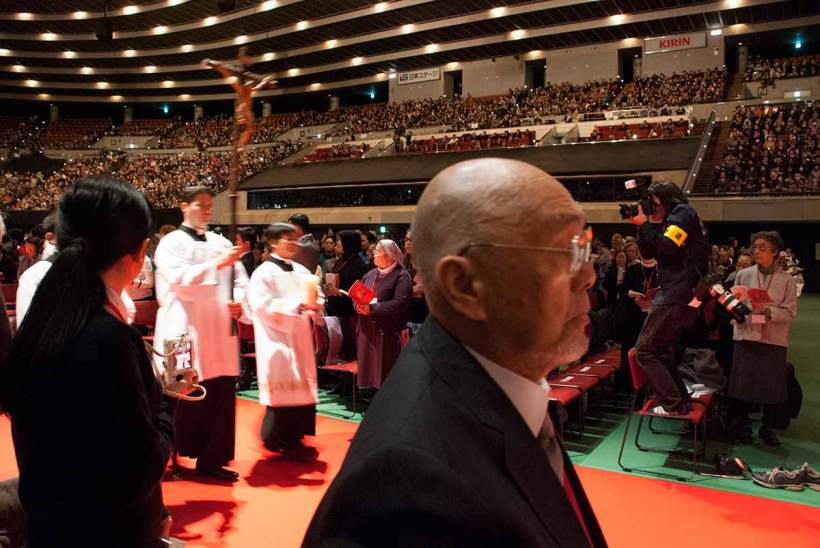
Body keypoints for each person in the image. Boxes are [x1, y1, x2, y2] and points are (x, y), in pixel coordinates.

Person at [304, 158, 606, 547]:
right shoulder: (410, 492)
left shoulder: (503, 384)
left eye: (584, 246)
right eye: (564, 252)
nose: (589, 276)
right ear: (465, 285)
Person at [0, 175, 179, 546]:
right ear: (139, 254)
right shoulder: (108, 336)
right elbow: (138, 470)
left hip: (49, 526)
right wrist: (168, 403)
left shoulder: (41, 324)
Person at [153, 185, 250, 482]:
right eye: (201, 204)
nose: (207, 210)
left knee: (219, 396)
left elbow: (240, 281)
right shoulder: (171, 243)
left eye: (210, 205)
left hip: (219, 332)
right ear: (184, 207)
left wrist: (239, 304)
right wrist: (218, 263)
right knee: (177, 394)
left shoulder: (222, 243)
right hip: (183, 328)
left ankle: (211, 460)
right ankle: (166, 460)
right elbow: (179, 281)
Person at [632, 181, 708, 415]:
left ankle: (672, 402)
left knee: (643, 351)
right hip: (678, 290)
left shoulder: (683, 213)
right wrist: (644, 225)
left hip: (679, 290)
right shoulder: (669, 219)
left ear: (667, 199)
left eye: (654, 203)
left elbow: (668, 246)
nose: (653, 208)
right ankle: (680, 400)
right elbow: (649, 253)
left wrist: (647, 223)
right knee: (658, 349)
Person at [247, 223, 319, 457]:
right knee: (283, 389)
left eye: (294, 238)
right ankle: (276, 438)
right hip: (276, 337)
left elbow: (315, 298)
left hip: (299, 336)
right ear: (273, 243)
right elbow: (261, 306)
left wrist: (315, 302)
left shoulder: (300, 270)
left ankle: (295, 437)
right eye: (287, 239)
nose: (293, 243)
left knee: (301, 389)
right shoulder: (263, 272)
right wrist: (295, 307)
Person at [728, 232, 798, 447]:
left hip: (773, 339)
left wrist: (768, 311)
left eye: (762, 247)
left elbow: (790, 313)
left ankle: (767, 428)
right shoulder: (744, 275)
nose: (756, 251)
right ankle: (743, 425)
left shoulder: (787, 280)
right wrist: (735, 310)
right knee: (742, 385)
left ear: (775, 252)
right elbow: (733, 302)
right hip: (746, 334)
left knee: (772, 387)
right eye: (754, 247)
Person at [355, 240, 412, 389]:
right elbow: (359, 295)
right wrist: (358, 306)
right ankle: (372, 399)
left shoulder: (401, 276)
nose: (373, 254)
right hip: (367, 329)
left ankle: (384, 404)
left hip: (387, 330)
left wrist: (373, 309)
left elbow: (400, 303)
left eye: (377, 251)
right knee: (371, 370)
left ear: (389, 255)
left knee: (385, 370)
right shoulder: (370, 274)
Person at [324, 230, 371, 361]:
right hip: (338, 311)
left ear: (348, 243)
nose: (337, 244)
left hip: (350, 313)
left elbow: (361, 291)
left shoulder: (359, 263)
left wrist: (341, 292)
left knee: (351, 348)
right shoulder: (342, 260)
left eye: (340, 241)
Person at [402, 229, 429, 330]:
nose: (408, 242)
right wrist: (411, 291)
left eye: (412, 239)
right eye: (406, 239)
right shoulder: (402, 262)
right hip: (407, 315)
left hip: (427, 314)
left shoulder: (429, 262)